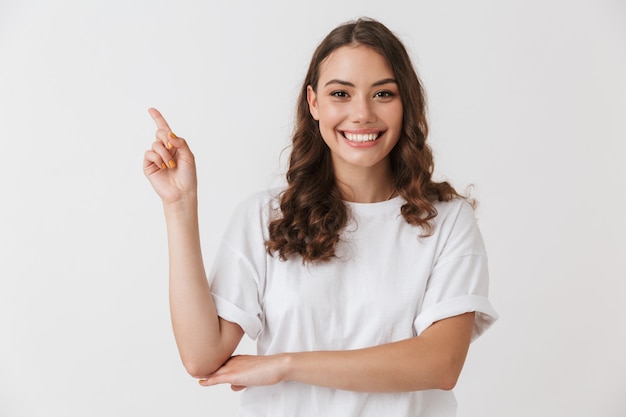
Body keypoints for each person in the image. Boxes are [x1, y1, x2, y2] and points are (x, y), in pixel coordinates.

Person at [143, 17, 497, 417]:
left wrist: (285, 365)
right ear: (314, 103)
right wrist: (179, 205)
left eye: (383, 93)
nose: (362, 113)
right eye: (341, 93)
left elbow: (441, 363)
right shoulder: (264, 218)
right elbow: (201, 357)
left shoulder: (447, 221)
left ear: (406, 102)